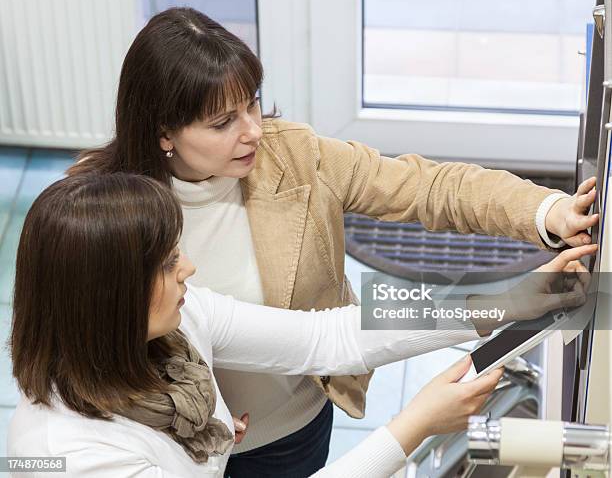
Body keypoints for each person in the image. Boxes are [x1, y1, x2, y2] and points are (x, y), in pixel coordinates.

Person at [67, 7, 599, 477]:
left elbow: (332, 332)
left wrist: (540, 224)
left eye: (252, 103)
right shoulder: (103, 216)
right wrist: (192, 427)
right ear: (165, 133)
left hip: (287, 431)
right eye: (223, 122)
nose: (253, 130)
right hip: (178, 447)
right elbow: (78, 341)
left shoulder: (288, 163)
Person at [8, 174, 593, 477]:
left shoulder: (176, 327)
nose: (188, 267)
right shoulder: (77, 455)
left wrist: (506, 298)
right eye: (166, 263)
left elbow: (329, 335)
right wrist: (416, 423)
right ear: (108, 300)